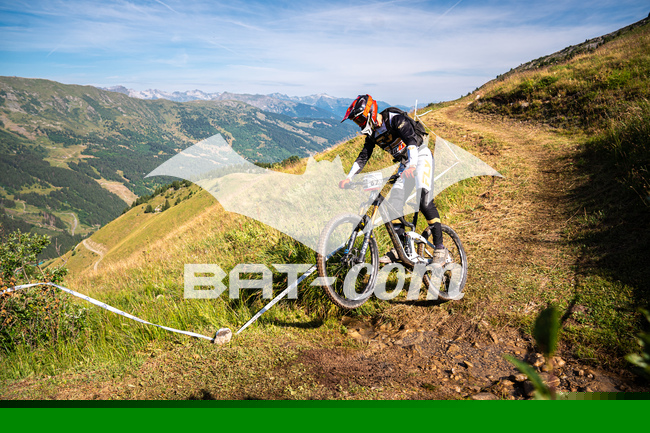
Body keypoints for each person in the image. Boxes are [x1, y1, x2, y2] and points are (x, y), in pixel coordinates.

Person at [339, 94, 447, 265]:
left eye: (360, 119)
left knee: (424, 202)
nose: (359, 124)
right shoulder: (372, 134)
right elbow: (364, 156)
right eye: (356, 121)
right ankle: (401, 250)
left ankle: (440, 247)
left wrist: (412, 165)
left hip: (420, 156)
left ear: (370, 112)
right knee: (394, 206)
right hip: (405, 164)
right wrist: (349, 177)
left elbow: (411, 141)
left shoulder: (394, 119)